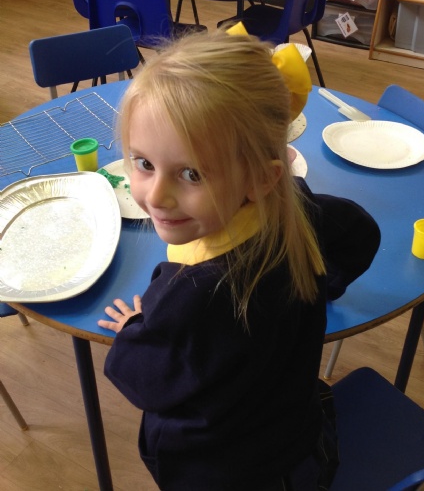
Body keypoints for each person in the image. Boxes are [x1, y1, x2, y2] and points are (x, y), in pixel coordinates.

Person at [98, 27, 380, 491]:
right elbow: (361, 233)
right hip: (300, 442)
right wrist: (327, 285)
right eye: (143, 163)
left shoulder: (192, 297)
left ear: (261, 179)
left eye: (191, 174)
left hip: (227, 474)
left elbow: (143, 380)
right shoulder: (298, 207)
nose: (156, 196)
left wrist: (134, 329)